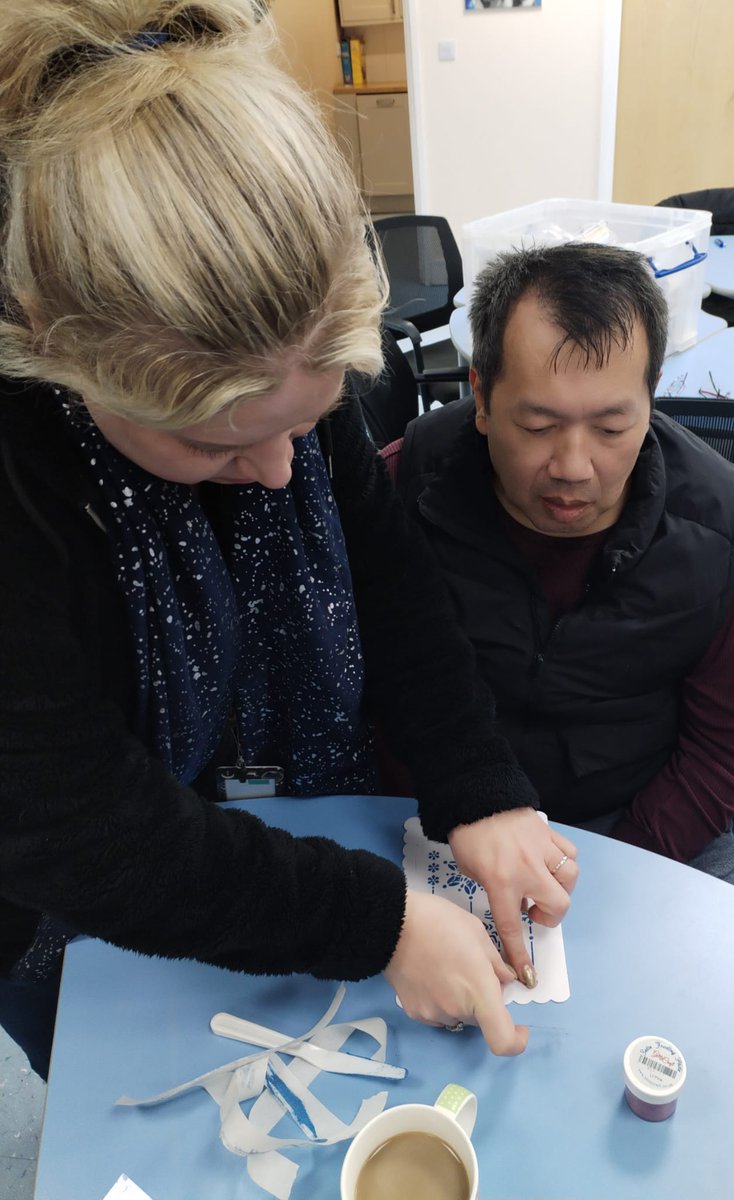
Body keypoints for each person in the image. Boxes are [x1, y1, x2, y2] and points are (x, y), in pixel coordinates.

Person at [0, 0, 578, 1078]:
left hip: (272, 827)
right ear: (60, 355)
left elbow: (386, 569)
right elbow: (69, 824)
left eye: (305, 428)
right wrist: (383, 924)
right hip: (68, 902)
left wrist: (479, 783)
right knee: (118, 1081)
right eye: (221, 449)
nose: (276, 474)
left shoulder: (284, 366)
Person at [383, 243, 734, 885]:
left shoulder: (720, 536)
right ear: (480, 396)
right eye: (537, 425)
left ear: (651, 400)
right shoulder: (400, 493)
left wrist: (610, 869)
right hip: (433, 818)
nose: (573, 467)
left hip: (638, 824)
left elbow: (729, 746)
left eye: (612, 427)